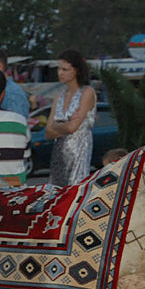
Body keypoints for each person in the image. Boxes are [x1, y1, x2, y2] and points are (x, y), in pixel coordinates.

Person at [46, 49, 97, 186]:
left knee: (75, 191)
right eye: (59, 69)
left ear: (76, 70)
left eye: (65, 69)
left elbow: (72, 127)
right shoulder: (59, 95)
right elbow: (48, 132)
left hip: (78, 153)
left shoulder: (87, 93)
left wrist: (57, 126)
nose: (60, 73)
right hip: (58, 153)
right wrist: (65, 125)